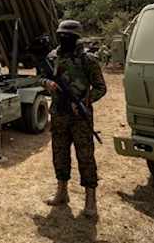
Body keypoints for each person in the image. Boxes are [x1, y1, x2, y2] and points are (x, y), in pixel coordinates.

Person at [39, 20, 107, 218]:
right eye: (61, 35)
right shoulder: (53, 57)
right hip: (58, 116)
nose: (63, 39)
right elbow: (41, 78)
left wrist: (84, 103)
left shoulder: (88, 59)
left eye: (67, 36)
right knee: (59, 155)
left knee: (85, 157)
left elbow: (101, 87)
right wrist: (48, 83)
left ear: (77, 37)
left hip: (80, 119)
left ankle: (90, 200)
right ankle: (62, 192)